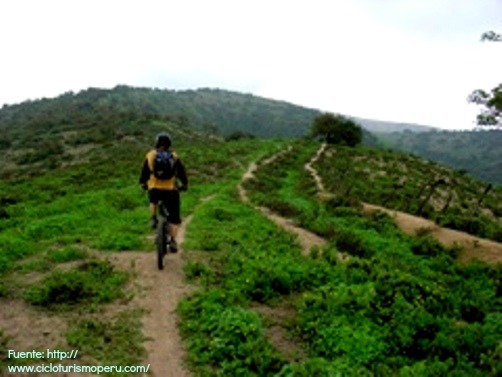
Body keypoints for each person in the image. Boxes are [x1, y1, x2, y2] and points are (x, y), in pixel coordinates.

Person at [139, 132, 188, 252]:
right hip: (170, 190)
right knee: (174, 217)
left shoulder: (150, 155)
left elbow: (144, 172)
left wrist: (143, 183)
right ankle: (172, 241)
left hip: (155, 188)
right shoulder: (174, 156)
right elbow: (181, 172)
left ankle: (153, 218)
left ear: (156, 143)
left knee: (153, 200)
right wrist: (184, 185)